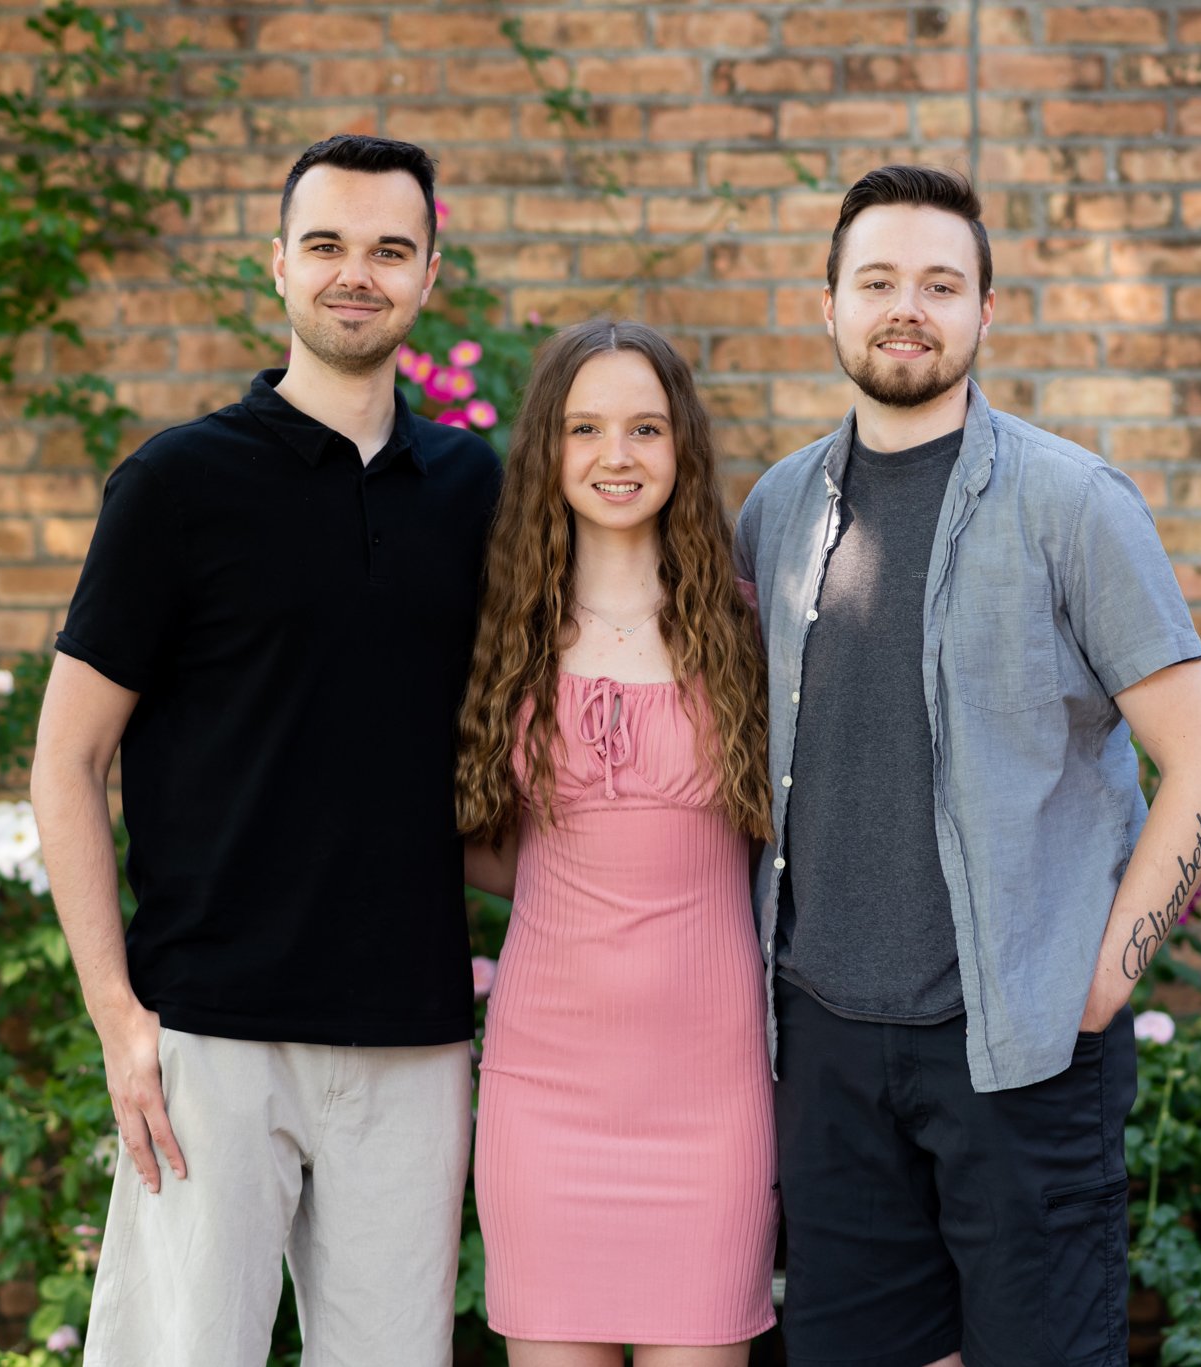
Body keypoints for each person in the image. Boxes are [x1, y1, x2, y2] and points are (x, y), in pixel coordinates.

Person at [734, 164, 1201, 1367]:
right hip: (826, 1048)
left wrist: (1101, 981)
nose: (904, 306)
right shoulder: (774, 512)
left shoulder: (1072, 503)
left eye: (937, 282)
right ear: (828, 306)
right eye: (875, 280)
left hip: (1018, 1044)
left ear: (984, 310)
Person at [31, 134, 502, 1367]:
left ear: (427, 273)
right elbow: (67, 760)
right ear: (278, 265)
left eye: (389, 249)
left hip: (412, 1034)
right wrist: (116, 1013)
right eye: (329, 245)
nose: (358, 272)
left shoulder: (473, 490)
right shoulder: (178, 484)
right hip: (213, 1031)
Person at [458, 319, 778, 1367]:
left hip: (710, 1102)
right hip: (542, 1095)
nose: (616, 455)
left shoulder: (743, 630)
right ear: (548, 448)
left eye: (645, 427)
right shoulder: (502, 629)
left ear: (679, 446)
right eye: (586, 428)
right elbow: (476, 837)